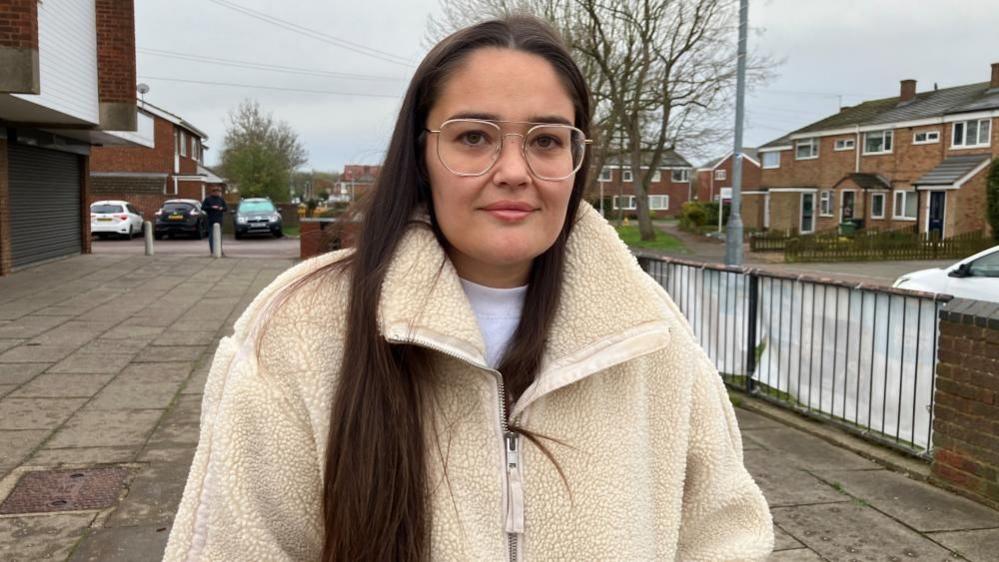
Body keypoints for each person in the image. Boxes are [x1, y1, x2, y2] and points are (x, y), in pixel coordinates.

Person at [164, 15, 773, 562]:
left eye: (546, 140)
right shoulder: (301, 327)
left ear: (576, 161)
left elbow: (724, 532)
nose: (513, 171)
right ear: (420, 154)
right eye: (474, 136)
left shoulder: (648, 332)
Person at [201, 187, 227, 255]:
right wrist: (211, 207)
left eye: (218, 192)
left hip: (219, 220)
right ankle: (212, 251)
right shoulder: (208, 199)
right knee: (211, 236)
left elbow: (226, 208)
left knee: (219, 236)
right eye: (216, 192)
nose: (217, 193)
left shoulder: (221, 199)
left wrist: (222, 208)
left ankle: (219, 250)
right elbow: (203, 207)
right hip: (210, 220)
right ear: (212, 192)